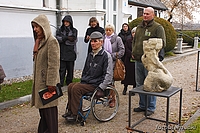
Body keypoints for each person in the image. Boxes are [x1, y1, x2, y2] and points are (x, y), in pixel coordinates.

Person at [62, 31, 113, 122]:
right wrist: (83, 80)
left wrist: (101, 88)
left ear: (101, 42)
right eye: (91, 41)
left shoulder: (106, 56)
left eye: (95, 41)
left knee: (76, 88)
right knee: (70, 86)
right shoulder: (90, 54)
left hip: (97, 84)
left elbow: (108, 75)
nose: (92, 43)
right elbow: (85, 70)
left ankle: (76, 115)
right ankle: (70, 111)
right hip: (88, 82)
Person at [132, 7, 166, 116]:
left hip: (150, 62)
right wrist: (134, 51)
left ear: (153, 15)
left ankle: (151, 107)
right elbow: (135, 41)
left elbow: (162, 43)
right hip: (138, 60)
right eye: (144, 13)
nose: (145, 15)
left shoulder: (158, 28)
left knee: (150, 84)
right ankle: (142, 105)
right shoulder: (139, 27)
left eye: (147, 14)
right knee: (140, 83)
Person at [31, 14, 60, 133]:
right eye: (33, 27)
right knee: (44, 114)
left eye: (37, 26)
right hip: (41, 84)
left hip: (48, 86)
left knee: (50, 115)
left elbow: (54, 64)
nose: (35, 29)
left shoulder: (51, 42)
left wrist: (51, 84)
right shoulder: (40, 42)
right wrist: (36, 43)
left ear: (44, 26)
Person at [103, 23, 125, 107]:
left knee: (111, 81)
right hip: (104, 61)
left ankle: (112, 99)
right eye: (107, 30)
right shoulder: (103, 38)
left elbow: (122, 50)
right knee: (104, 80)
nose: (108, 32)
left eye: (110, 30)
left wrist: (113, 55)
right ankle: (106, 96)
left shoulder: (117, 39)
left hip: (113, 62)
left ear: (113, 30)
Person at [56, 15, 78, 87]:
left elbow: (73, 40)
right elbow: (58, 39)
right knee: (62, 69)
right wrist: (66, 38)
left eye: (67, 22)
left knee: (70, 68)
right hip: (62, 51)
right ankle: (60, 82)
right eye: (65, 22)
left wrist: (64, 39)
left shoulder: (74, 30)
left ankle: (69, 81)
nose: (66, 23)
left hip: (71, 52)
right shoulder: (60, 30)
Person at [121, 27, 137, 95]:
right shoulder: (128, 40)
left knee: (134, 76)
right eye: (133, 32)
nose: (134, 34)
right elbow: (126, 49)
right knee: (127, 75)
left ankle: (134, 89)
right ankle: (125, 88)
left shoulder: (139, 41)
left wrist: (136, 55)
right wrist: (131, 54)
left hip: (136, 61)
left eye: (135, 33)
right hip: (128, 60)